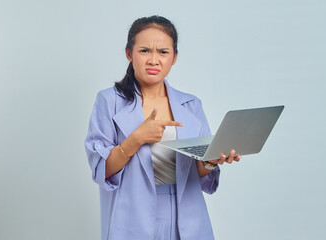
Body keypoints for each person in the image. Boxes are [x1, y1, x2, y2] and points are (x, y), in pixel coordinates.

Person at [85, 15, 241, 240]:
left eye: (163, 52)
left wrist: (212, 160)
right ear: (129, 54)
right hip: (133, 216)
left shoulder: (191, 104)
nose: (154, 60)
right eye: (145, 51)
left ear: (174, 57)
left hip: (186, 214)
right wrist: (136, 139)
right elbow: (102, 170)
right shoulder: (109, 101)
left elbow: (198, 172)